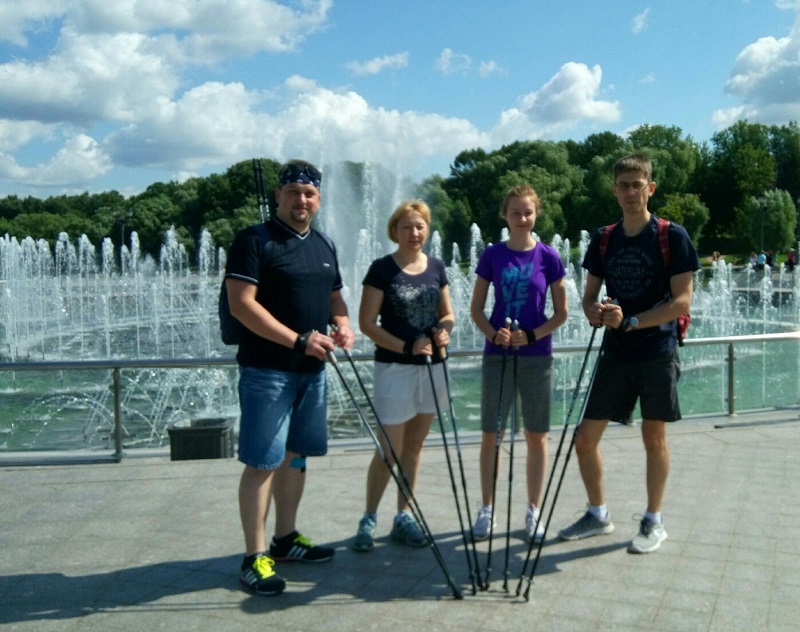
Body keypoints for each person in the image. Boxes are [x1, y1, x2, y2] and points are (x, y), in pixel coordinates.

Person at [225, 159, 356, 596]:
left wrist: (343, 325)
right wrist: (298, 340)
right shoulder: (254, 240)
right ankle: (254, 556)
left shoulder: (323, 243)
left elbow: (335, 299)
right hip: (267, 372)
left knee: (296, 456)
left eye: (310, 193)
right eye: (294, 192)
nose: (302, 200)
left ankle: (285, 538)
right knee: (262, 461)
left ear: (318, 200)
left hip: (311, 373)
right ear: (278, 195)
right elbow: (242, 304)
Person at [558, 153, 700, 554]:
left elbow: (682, 301)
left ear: (650, 188)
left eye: (638, 185)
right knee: (584, 439)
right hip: (616, 352)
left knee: (653, 437)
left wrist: (632, 321)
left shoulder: (672, 236)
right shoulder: (604, 238)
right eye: (624, 185)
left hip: (657, 350)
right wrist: (596, 312)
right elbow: (588, 297)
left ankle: (654, 520)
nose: (631, 192)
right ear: (614, 190)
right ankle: (598, 514)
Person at [351, 200, 454, 552]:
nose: (414, 233)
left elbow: (448, 314)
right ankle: (368, 517)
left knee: (413, 448)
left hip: (432, 367)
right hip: (395, 369)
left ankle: (404, 514)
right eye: (407, 227)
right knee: (389, 449)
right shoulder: (381, 269)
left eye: (420, 226)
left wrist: (444, 331)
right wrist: (406, 347)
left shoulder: (436, 266)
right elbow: (367, 324)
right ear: (394, 231)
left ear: (427, 230)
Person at [470, 185, 568, 543]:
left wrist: (532, 335)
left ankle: (534, 510)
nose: (522, 218)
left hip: (536, 358)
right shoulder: (492, 255)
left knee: (536, 435)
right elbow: (476, 309)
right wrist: (493, 334)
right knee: (491, 434)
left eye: (528, 212)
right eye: (515, 212)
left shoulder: (549, 256)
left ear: (536, 214)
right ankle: (487, 507)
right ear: (505, 215)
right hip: (498, 356)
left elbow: (561, 313)